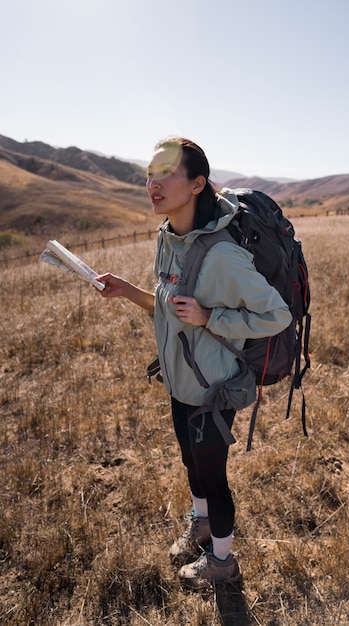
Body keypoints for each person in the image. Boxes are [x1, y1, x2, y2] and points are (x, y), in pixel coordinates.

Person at [97, 137, 292, 590]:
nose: (153, 183)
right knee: (191, 462)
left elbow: (276, 313)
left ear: (197, 183)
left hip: (213, 388)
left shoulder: (222, 255)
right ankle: (201, 525)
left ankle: (223, 562)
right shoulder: (168, 240)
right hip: (178, 379)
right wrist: (128, 291)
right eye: (150, 174)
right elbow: (168, 307)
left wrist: (210, 317)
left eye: (166, 173)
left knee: (212, 474)